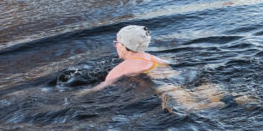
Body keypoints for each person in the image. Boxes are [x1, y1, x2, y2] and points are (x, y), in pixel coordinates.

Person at [87, 25, 238, 111]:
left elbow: (102, 87)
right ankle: (243, 100)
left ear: (125, 46)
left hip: (166, 87)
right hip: (183, 77)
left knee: (193, 108)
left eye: (117, 42)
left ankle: (214, 107)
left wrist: (81, 94)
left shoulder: (121, 68)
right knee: (219, 95)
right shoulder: (155, 58)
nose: (115, 45)